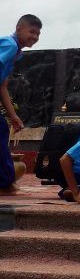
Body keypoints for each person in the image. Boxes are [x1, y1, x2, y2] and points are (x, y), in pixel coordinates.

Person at [0, 14, 42, 195]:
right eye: (31, 31)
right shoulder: (9, 45)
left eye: (38, 34)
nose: (35, 37)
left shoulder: (15, 52)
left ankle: (6, 184)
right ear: (19, 29)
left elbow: (2, 86)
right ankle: (4, 184)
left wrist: (13, 116)